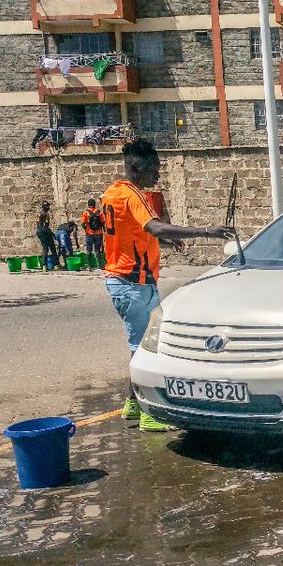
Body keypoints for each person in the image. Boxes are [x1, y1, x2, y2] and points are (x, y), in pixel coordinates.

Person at [102, 138, 234, 432]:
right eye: (154, 170)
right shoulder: (133, 195)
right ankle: (149, 414)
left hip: (124, 281)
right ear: (136, 168)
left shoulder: (113, 193)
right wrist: (207, 231)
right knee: (143, 350)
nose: (158, 176)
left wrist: (164, 242)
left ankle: (132, 404)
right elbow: (154, 226)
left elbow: (131, 235)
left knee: (141, 345)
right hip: (132, 283)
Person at [81, 199, 105, 267]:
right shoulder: (99, 212)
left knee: (89, 250)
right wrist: (104, 231)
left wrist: (86, 229)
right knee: (97, 250)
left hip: (89, 234)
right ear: (94, 204)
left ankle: (89, 266)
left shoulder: (86, 213)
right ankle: (99, 266)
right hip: (98, 233)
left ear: (88, 205)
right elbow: (103, 223)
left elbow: (82, 224)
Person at [35, 201, 57, 270]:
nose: (48, 208)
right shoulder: (46, 214)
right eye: (47, 206)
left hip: (39, 232)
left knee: (45, 248)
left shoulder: (39, 214)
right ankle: (56, 264)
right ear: (44, 207)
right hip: (45, 232)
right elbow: (46, 225)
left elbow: (38, 224)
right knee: (52, 247)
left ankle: (44, 265)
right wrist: (51, 234)